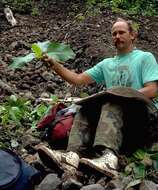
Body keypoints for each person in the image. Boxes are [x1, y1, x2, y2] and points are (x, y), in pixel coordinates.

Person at [38, 17, 158, 179]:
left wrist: (121, 95)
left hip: (143, 121)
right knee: (85, 105)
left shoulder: (145, 58)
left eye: (121, 32)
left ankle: (109, 158)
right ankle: (72, 155)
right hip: (118, 126)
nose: (117, 36)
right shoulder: (106, 64)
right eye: (114, 34)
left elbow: (153, 89)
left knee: (112, 99)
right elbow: (78, 80)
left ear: (132, 35)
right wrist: (55, 65)